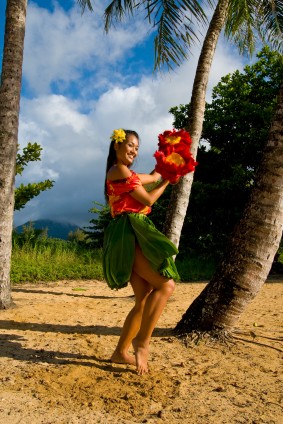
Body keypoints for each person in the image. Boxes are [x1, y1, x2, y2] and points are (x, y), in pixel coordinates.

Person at [103, 128, 180, 375]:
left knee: (144, 298)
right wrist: (168, 180)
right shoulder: (118, 170)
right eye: (130, 146)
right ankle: (142, 343)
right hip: (129, 232)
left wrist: (169, 158)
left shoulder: (128, 173)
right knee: (166, 286)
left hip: (130, 231)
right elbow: (147, 200)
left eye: (137, 148)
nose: (134, 151)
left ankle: (119, 352)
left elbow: (152, 176)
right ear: (117, 146)